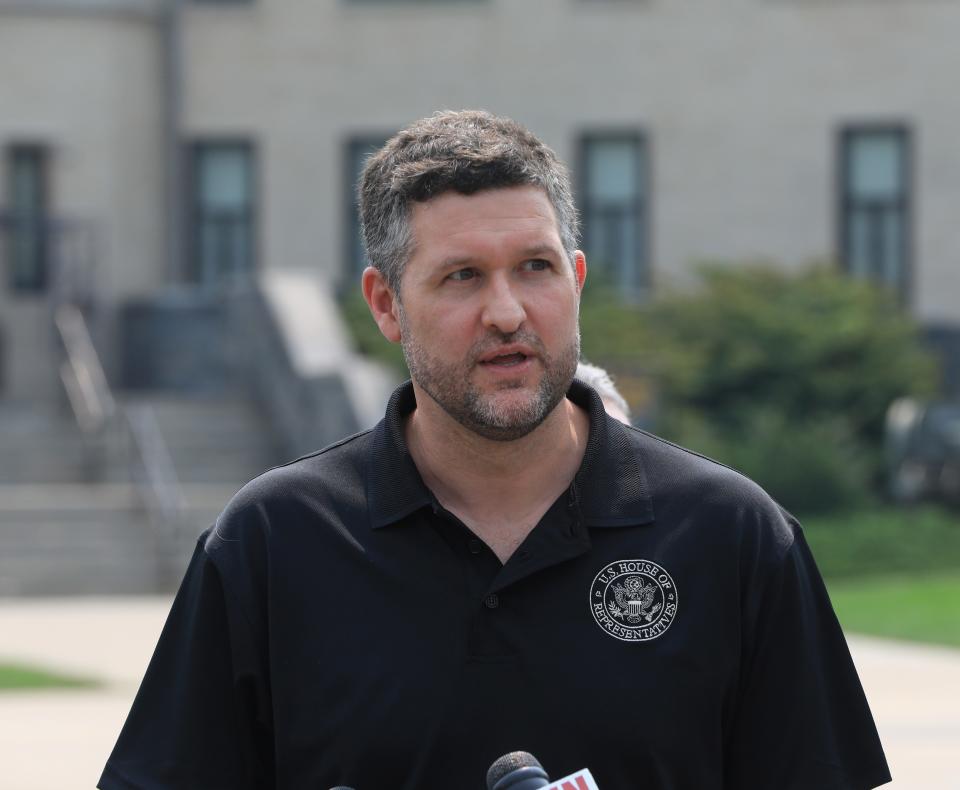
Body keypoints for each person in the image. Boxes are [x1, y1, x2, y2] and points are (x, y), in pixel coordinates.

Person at [100, 110, 890, 789]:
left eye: (535, 268)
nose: (508, 312)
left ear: (576, 280)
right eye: (462, 277)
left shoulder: (734, 537)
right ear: (386, 305)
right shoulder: (273, 542)